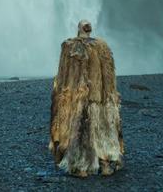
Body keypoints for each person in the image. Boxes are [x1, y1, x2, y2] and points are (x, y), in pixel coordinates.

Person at [49, 20, 124, 177]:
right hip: (100, 97)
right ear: (90, 29)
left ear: (78, 29)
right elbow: (110, 75)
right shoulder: (102, 46)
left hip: (78, 97)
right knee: (102, 130)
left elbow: (62, 75)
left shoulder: (69, 46)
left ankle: (81, 167)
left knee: (80, 131)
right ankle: (105, 165)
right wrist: (110, 96)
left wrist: (61, 97)